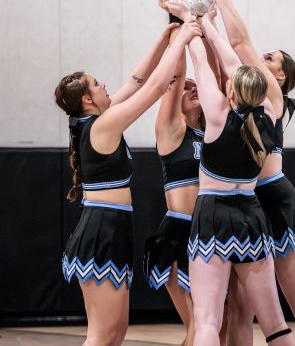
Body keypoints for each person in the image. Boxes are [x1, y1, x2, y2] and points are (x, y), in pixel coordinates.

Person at [193, 0, 295, 346]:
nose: (262, 59)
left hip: (272, 198)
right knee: (239, 309)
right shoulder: (250, 101)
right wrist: (207, 20)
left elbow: (237, 44)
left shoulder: (271, 96)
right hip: (247, 203)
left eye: (270, 59)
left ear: (281, 78)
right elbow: (226, 61)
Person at [55, 19, 200, 346]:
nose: (104, 85)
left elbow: (137, 80)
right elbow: (151, 89)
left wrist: (165, 36)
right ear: (87, 101)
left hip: (112, 228)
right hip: (100, 230)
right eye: (96, 84)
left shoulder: (97, 119)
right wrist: (184, 38)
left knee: (116, 332)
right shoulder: (102, 126)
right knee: (103, 334)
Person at [167, 0, 295, 346]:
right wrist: (208, 22)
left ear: (232, 90)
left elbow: (205, 63)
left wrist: (190, 22)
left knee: (208, 320)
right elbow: (234, 63)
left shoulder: (218, 115)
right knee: (275, 323)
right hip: (251, 215)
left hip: (213, 214)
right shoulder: (270, 113)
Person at [143, 12, 205, 346]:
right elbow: (178, 75)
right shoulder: (171, 129)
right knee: (197, 327)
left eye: (197, 87)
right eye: (187, 88)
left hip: (208, 230)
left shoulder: (210, 133)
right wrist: (179, 29)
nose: (193, 89)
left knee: (214, 326)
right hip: (179, 231)